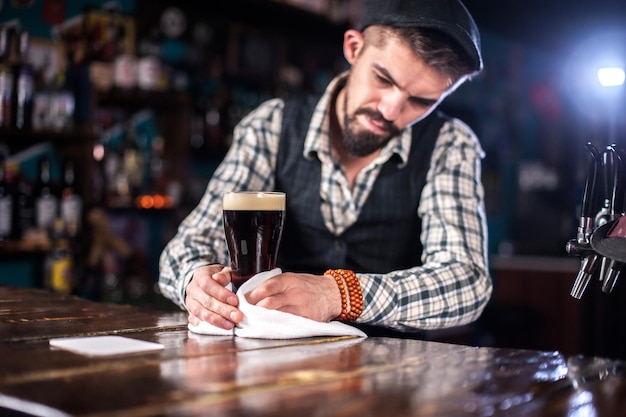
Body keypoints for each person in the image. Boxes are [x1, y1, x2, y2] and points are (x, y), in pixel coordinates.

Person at [159, 0, 492, 337]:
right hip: (271, 363)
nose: (391, 110)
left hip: (390, 373)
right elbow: (186, 247)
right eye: (383, 79)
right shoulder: (272, 125)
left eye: (421, 101)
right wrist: (197, 283)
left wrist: (340, 294)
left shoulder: (449, 144)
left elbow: (467, 281)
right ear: (353, 48)